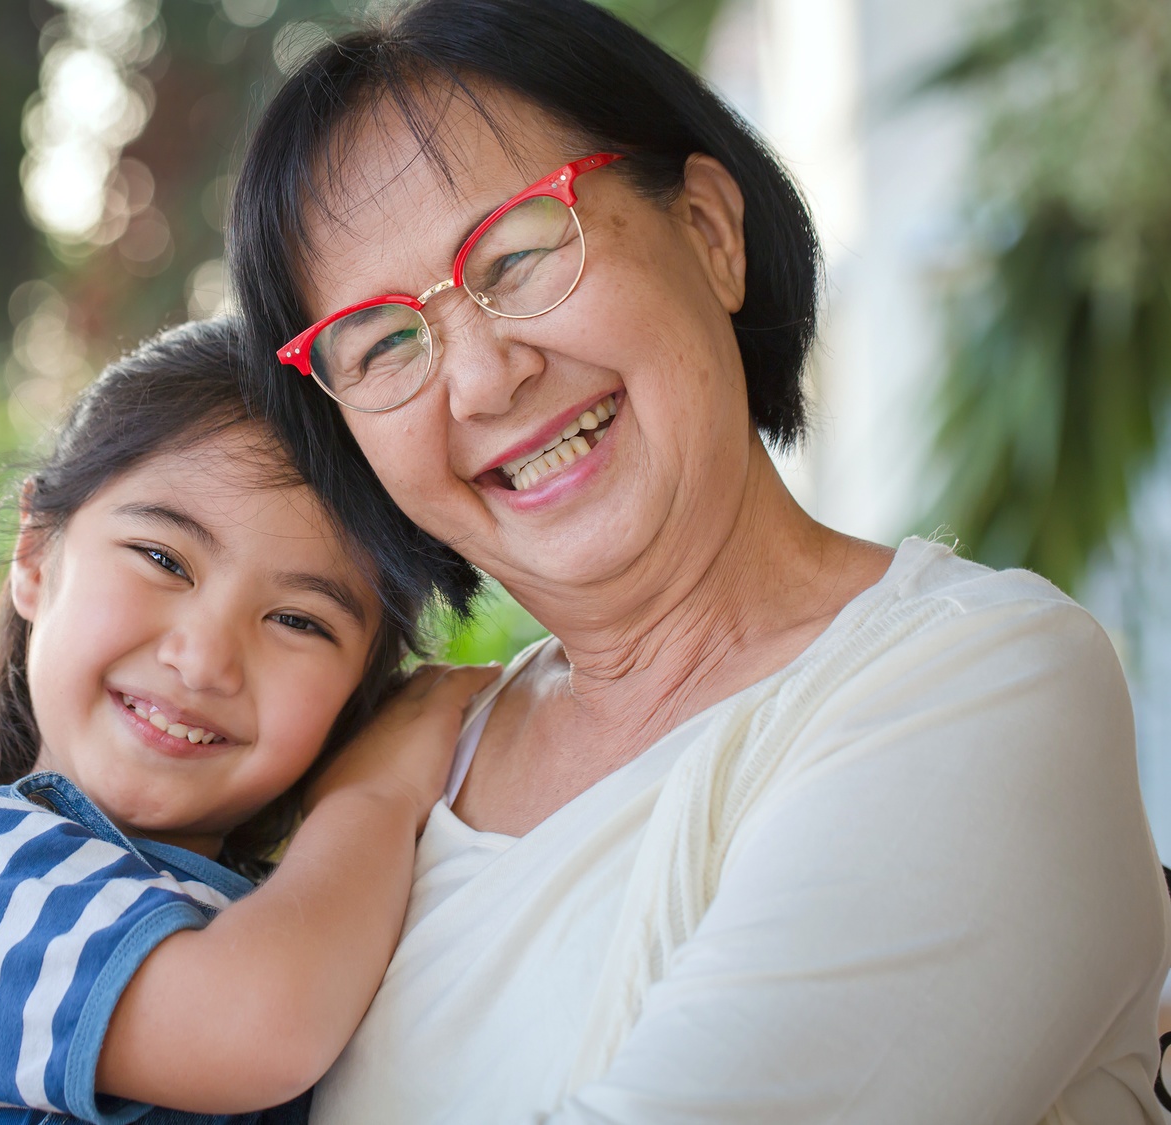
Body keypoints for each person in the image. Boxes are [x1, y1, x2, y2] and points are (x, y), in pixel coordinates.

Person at [223, 0, 1171, 1121]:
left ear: (710, 235)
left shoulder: (980, 684)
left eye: (519, 254)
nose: (481, 379)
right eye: (382, 342)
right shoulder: (395, 771)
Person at [0, 318, 497, 1125]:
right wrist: (377, 793)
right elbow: (254, 1029)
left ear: (359, 700)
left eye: (300, 621)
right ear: (35, 554)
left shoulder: (335, 910)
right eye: (164, 558)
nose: (206, 659)